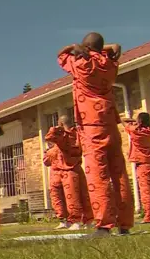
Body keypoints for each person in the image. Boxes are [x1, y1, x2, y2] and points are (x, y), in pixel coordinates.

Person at [57, 32, 134, 236]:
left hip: (91, 126)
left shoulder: (81, 64)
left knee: (97, 176)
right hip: (110, 123)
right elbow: (113, 47)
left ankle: (104, 225)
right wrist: (105, 47)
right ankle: (124, 224)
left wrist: (76, 46)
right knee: (119, 174)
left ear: (84, 47)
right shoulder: (110, 64)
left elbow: (61, 55)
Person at [44, 115, 94, 230]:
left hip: (67, 170)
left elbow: (49, 136)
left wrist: (57, 128)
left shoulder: (64, 136)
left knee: (72, 198)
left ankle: (75, 221)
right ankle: (88, 221)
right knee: (82, 196)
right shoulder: (79, 134)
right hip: (75, 168)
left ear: (61, 124)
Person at [123, 112, 150, 223]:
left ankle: (148, 217)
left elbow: (123, 121)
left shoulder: (135, 131)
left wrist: (134, 121)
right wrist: (138, 122)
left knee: (146, 192)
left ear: (140, 121)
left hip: (142, 165)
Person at [43, 142, 70, 229]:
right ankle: (70, 220)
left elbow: (46, 162)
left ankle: (64, 221)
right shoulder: (64, 147)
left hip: (56, 176)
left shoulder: (51, 151)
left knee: (57, 199)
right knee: (68, 198)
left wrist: (46, 153)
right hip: (65, 175)